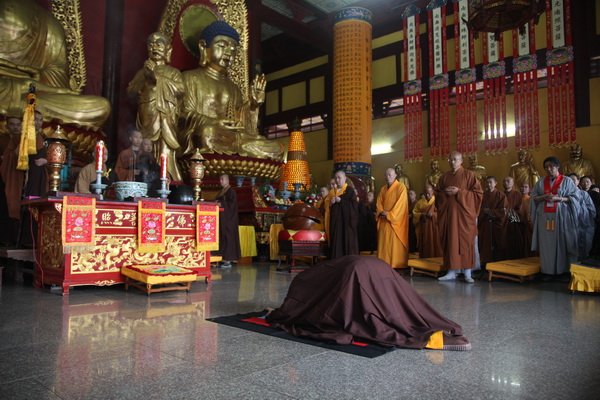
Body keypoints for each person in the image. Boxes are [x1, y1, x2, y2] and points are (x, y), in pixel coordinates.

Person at [266, 255, 471, 351]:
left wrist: (277, 314)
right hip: (375, 264)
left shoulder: (303, 283)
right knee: (399, 303)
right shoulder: (310, 280)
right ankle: (434, 333)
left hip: (357, 271)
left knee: (374, 313)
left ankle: (433, 338)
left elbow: (300, 311)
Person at [179, 20, 283, 160]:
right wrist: (213, 122)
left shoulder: (234, 88)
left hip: (232, 139)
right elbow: (182, 114)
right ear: (204, 47)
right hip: (209, 135)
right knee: (207, 133)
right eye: (222, 46)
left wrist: (253, 105)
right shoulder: (189, 78)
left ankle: (237, 155)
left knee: (276, 148)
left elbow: (242, 126)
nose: (228, 52)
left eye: (233, 49)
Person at [0, 0, 110, 130]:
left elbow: (57, 79)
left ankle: (24, 116)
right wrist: (14, 87)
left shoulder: (47, 22)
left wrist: (38, 78)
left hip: (32, 96)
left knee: (101, 107)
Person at [127, 32, 184, 182]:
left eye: (159, 44)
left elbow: (181, 90)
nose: (154, 47)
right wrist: (145, 77)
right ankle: (144, 179)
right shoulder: (141, 73)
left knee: (165, 151)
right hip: (147, 116)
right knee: (145, 150)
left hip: (165, 118)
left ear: (168, 50)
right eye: (151, 44)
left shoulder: (173, 72)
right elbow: (131, 92)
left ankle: (167, 179)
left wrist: (156, 77)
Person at [435, 151, 483, 283]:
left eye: (455, 159)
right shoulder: (444, 177)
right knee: (451, 242)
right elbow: (437, 194)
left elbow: (478, 194)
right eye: (450, 159)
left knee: (466, 242)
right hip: (449, 216)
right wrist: (444, 194)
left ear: (461, 161)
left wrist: (459, 192)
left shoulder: (469, 175)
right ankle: (451, 271)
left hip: (464, 216)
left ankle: (468, 273)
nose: (452, 162)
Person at [530, 157, 580, 281]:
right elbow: (533, 198)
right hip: (545, 218)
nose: (548, 169)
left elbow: (575, 198)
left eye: (551, 166)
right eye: (546, 167)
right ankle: (548, 271)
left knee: (562, 242)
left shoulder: (567, 181)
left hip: (562, 218)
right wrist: (543, 197)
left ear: (558, 167)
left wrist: (560, 199)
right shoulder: (541, 182)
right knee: (546, 244)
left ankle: (563, 271)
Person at [376, 168, 409, 269]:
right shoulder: (383, 189)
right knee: (384, 243)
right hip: (384, 220)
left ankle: (397, 265)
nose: (388, 177)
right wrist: (382, 212)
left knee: (395, 244)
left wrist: (390, 214)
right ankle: (383, 264)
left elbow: (401, 204)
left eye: (390, 175)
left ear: (395, 176)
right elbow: (379, 203)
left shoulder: (401, 187)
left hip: (395, 222)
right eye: (386, 175)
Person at [0, 117, 25, 244]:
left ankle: (15, 240)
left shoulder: (24, 141)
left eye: (18, 125)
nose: (15, 127)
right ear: (6, 126)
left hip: (18, 178)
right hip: (3, 177)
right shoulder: (2, 140)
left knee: (17, 206)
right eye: (12, 124)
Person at [477, 176, 508, 265]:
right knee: (485, 243)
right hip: (485, 223)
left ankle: (497, 263)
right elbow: (478, 208)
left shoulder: (500, 195)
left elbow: (504, 210)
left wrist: (490, 212)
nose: (489, 184)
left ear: (495, 183)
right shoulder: (482, 195)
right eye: (487, 182)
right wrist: (484, 213)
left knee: (497, 243)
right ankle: (485, 262)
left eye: (491, 182)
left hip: (496, 223)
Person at [329, 171, 359, 259]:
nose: (337, 180)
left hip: (346, 222)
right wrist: (331, 203)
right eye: (336, 178)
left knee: (346, 240)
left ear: (345, 178)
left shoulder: (349, 190)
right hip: (336, 221)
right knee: (336, 240)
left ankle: (347, 260)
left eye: (339, 178)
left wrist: (341, 201)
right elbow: (327, 206)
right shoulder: (332, 191)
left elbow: (354, 206)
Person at [567, 173, 596, 261]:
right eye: (569, 180)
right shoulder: (564, 194)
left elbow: (592, 211)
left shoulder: (583, 194)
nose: (571, 182)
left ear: (578, 181)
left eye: (573, 180)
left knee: (584, 248)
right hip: (570, 226)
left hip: (585, 225)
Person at [214, 174, 241, 267]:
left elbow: (231, 205)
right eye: (220, 179)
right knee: (221, 237)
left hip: (229, 219)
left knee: (228, 237)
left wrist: (220, 203)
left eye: (222, 179)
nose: (220, 181)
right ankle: (220, 257)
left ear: (227, 181)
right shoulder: (221, 191)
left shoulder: (231, 191)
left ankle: (228, 260)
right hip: (221, 218)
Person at [412, 184, 442, 258]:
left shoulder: (437, 201)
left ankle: (437, 259)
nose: (427, 195)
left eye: (429, 193)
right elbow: (415, 213)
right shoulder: (420, 202)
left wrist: (434, 214)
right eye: (425, 193)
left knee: (436, 242)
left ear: (432, 192)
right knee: (425, 242)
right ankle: (425, 260)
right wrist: (421, 215)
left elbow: (442, 212)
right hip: (424, 227)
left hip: (435, 226)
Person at [503, 176, 528, 260]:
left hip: (513, 223)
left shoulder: (517, 194)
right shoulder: (500, 194)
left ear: (513, 183)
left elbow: (520, 209)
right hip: (502, 223)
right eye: (504, 181)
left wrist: (509, 213)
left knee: (514, 244)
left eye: (508, 181)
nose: (506, 183)